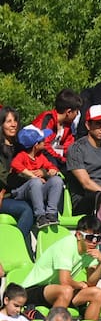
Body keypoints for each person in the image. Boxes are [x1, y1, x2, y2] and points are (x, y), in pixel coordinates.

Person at [19, 215, 101, 321]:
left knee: (97, 293)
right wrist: (80, 285)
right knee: (66, 290)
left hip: (58, 291)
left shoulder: (93, 248)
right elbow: (65, 281)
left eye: (98, 238)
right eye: (90, 237)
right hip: (31, 290)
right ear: (79, 235)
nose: (94, 242)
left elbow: (92, 283)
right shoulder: (67, 245)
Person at [64, 105, 101, 215]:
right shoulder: (76, 149)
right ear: (88, 125)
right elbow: (86, 183)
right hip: (85, 199)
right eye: (98, 124)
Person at [10, 125, 64, 229]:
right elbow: (15, 164)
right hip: (21, 191)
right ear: (36, 145)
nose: (45, 142)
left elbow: (51, 166)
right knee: (35, 182)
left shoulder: (40, 157)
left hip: (37, 190)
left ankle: (51, 213)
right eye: (42, 140)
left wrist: (50, 171)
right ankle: (40, 216)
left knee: (57, 180)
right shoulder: (22, 155)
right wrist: (32, 176)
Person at [0, 108, 36, 257]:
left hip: (18, 193)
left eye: (15, 120)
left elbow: (36, 163)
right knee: (26, 210)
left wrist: (42, 172)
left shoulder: (21, 148)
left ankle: (28, 256)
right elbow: (4, 177)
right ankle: (13, 248)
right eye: (9, 121)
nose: (13, 124)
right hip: (4, 196)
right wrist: (27, 174)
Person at [31, 90, 81, 172]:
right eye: (76, 112)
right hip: (40, 159)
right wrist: (61, 159)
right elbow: (43, 146)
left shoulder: (67, 126)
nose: (77, 115)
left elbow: (68, 147)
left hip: (57, 159)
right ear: (68, 112)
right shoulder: (47, 119)